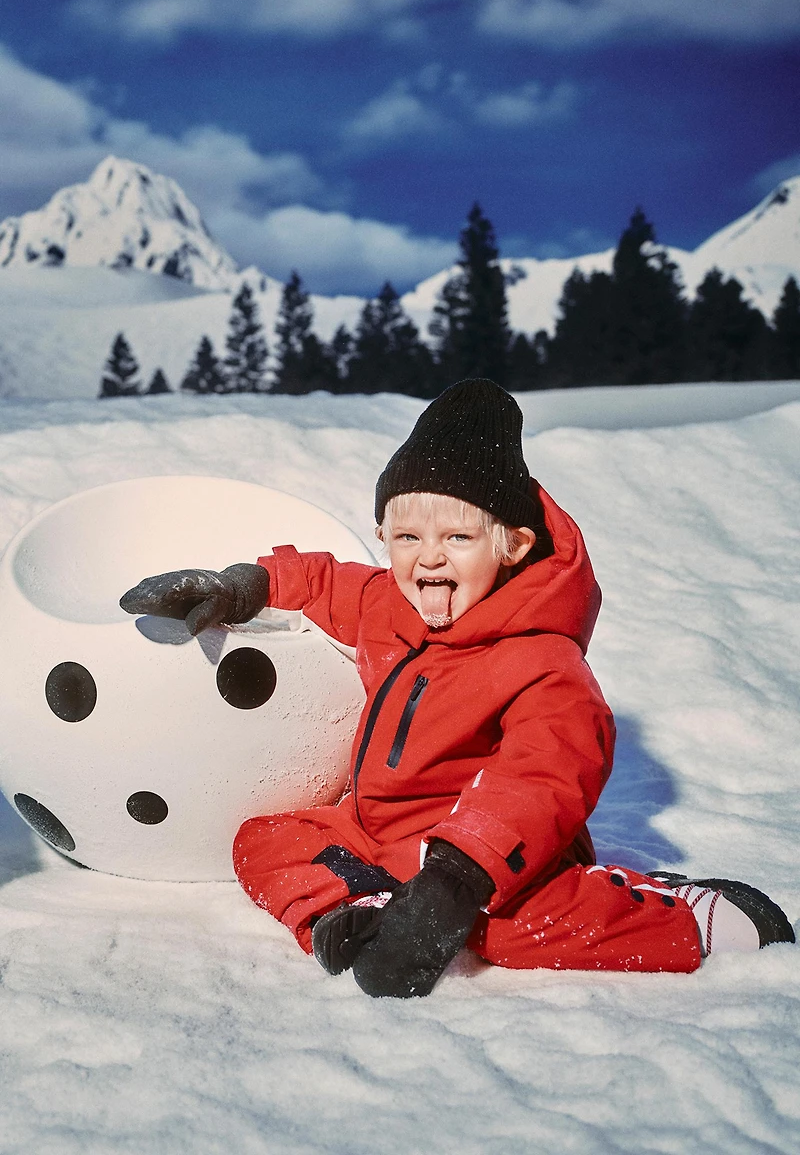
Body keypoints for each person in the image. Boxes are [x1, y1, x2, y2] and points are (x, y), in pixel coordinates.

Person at [120, 380, 794, 997]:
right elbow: (329, 583)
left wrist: (454, 883)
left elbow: (544, 775)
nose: (429, 556)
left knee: (500, 931)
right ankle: (359, 911)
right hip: (380, 834)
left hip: (492, 852)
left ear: (514, 545)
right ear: (384, 536)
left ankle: (687, 921)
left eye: (458, 535)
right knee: (265, 840)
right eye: (407, 535)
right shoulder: (394, 602)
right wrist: (248, 585)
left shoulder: (538, 660)